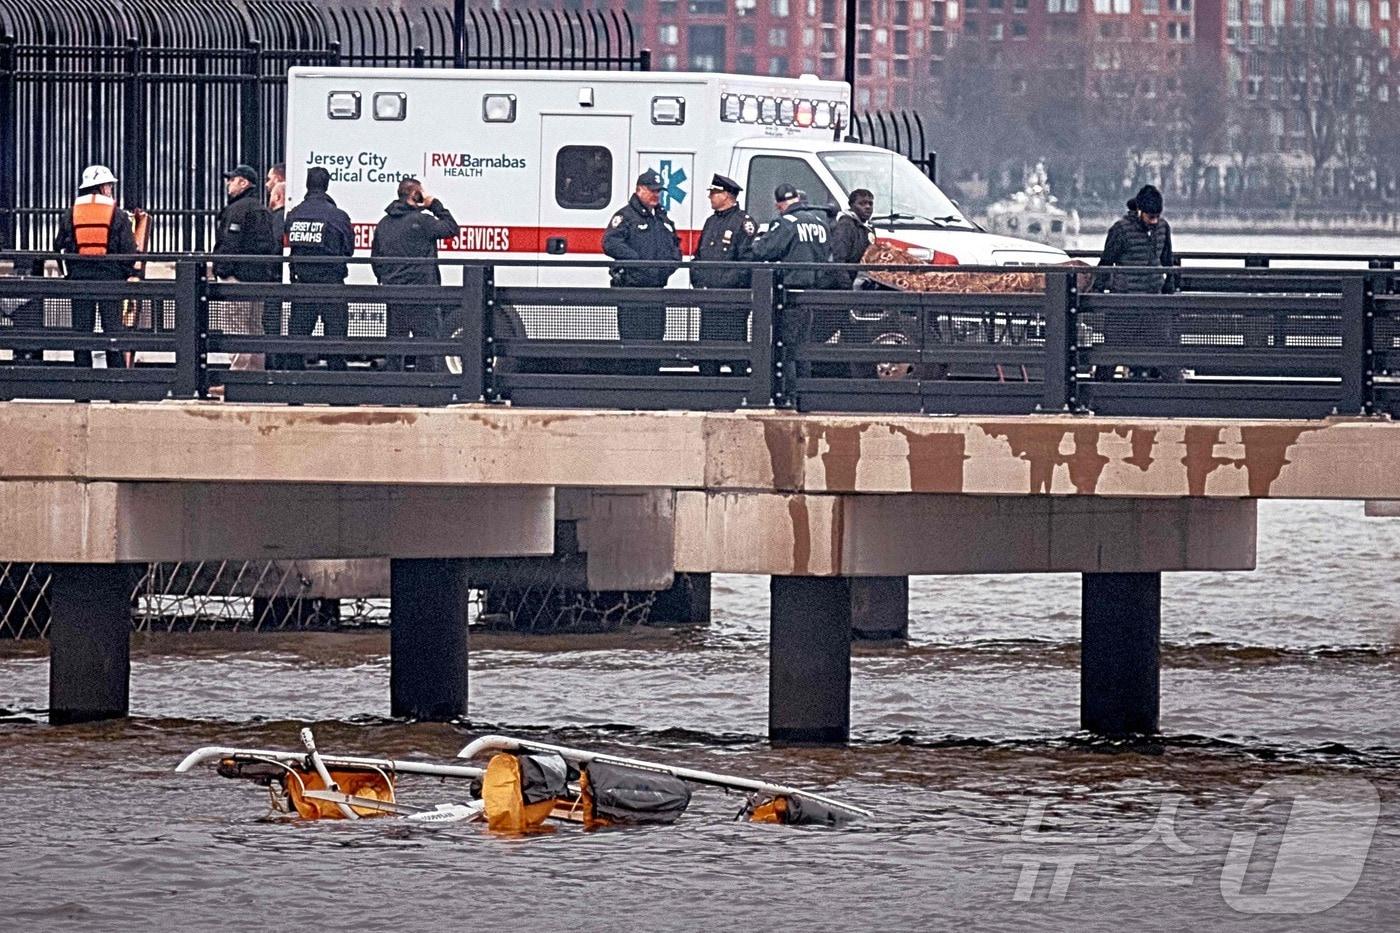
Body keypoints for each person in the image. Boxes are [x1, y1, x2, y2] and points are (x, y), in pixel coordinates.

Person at [53, 164, 139, 369]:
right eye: (109, 185)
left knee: (82, 332)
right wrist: (124, 273)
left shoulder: (71, 213)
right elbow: (129, 250)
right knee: (113, 332)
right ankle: (115, 385)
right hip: (111, 280)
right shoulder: (118, 215)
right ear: (101, 188)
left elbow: (58, 247)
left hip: (80, 279)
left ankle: (82, 384)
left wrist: (69, 273)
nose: (110, 189)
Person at [370, 177, 459, 371]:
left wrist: (386, 280)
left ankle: (393, 393)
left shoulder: (384, 224)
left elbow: (375, 259)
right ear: (414, 195)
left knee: (395, 347)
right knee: (427, 346)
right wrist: (434, 204)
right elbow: (452, 228)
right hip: (423, 294)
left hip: (394, 293)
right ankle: (425, 393)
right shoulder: (423, 221)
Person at [1092, 184, 1177, 380]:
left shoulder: (1163, 228)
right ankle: (1096, 394)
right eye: (1150, 217)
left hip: (1153, 300)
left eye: (1157, 216)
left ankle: (1176, 392)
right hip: (1124, 301)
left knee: (1164, 350)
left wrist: (1169, 288)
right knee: (1112, 350)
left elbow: (1167, 260)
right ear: (1139, 211)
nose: (1154, 221)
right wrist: (1098, 290)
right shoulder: (1120, 230)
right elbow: (1106, 261)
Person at [283, 166, 355, 371]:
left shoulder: (294, 214)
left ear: (308, 184)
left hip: (302, 285)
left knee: (298, 339)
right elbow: (348, 250)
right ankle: (337, 388)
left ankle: (295, 388)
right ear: (327, 185)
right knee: (336, 340)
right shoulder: (338, 216)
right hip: (332, 285)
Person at [602, 169, 682, 348]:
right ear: (639, 190)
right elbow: (610, 242)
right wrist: (637, 261)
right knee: (633, 342)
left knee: (655, 341)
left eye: (658, 191)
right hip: (633, 289)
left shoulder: (662, 218)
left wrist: (670, 265)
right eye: (652, 190)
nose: (656, 195)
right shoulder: (626, 216)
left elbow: (675, 245)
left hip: (656, 289)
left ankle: (652, 374)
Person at [213, 163, 280, 373]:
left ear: (243, 182)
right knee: (254, 328)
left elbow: (229, 244)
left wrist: (222, 270)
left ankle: (238, 376)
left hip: (237, 278)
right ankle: (255, 377)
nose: (228, 184)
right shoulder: (262, 209)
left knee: (236, 327)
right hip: (258, 279)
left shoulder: (236, 210)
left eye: (232, 180)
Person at [692, 173, 758, 374]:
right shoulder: (711, 222)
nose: (711, 196)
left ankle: (738, 396)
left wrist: (723, 285)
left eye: (715, 192)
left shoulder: (743, 223)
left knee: (735, 351)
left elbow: (746, 262)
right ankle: (708, 394)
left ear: (728, 195)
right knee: (708, 353)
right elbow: (699, 256)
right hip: (709, 300)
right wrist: (698, 281)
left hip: (731, 302)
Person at [749, 183, 834, 286]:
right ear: (798, 198)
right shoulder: (821, 222)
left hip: (795, 287)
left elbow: (762, 250)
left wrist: (756, 241)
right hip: (821, 286)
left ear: (777, 205)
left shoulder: (785, 222)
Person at [829, 188, 877, 289]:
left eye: (870, 203)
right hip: (840, 287)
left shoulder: (868, 227)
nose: (867, 207)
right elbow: (838, 260)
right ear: (851, 206)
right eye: (862, 204)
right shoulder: (845, 225)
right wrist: (848, 288)